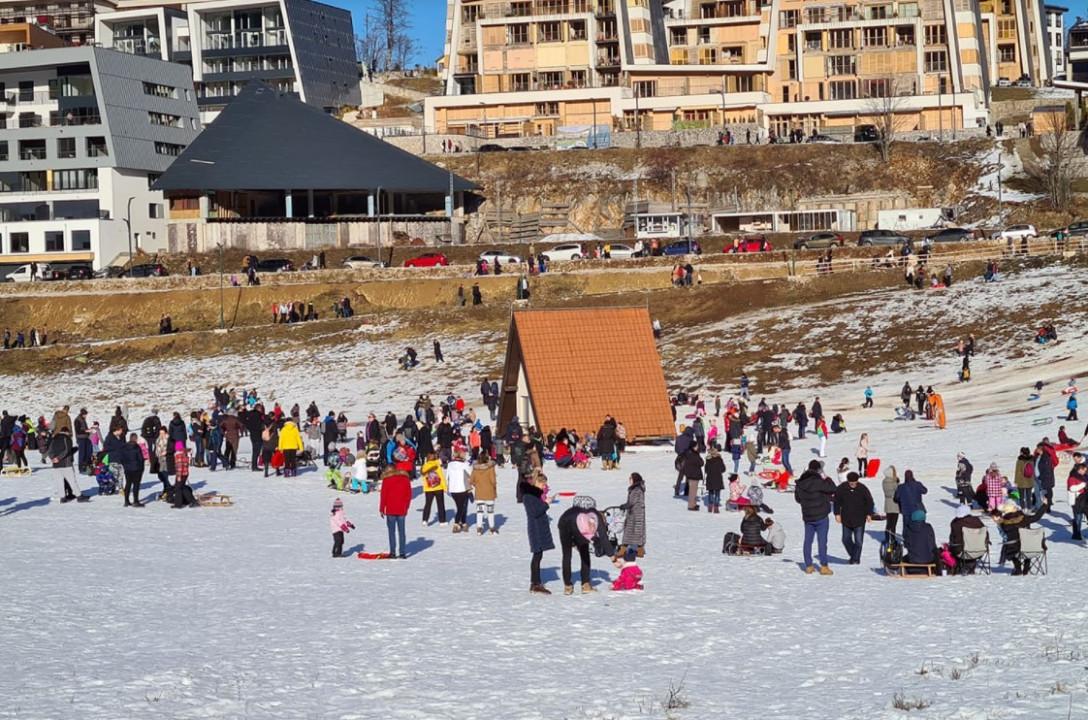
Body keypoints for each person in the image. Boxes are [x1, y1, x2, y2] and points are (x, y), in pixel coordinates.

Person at [557, 496, 607, 595]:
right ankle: (585, 584)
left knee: (566, 555)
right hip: (574, 526)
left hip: (563, 524)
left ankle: (567, 586)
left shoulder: (570, 512)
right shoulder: (585, 516)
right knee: (584, 553)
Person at [794, 460, 836, 575]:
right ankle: (824, 566)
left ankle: (808, 566)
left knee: (808, 541)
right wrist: (826, 478)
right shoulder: (819, 481)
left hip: (808, 516)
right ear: (818, 470)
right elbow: (833, 489)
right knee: (822, 541)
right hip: (821, 516)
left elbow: (798, 499)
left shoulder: (801, 483)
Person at [520, 473, 554, 594]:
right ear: (536, 483)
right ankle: (535, 583)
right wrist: (546, 504)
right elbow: (535, 512)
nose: (544, 487)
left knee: (538, 555)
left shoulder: (534, 495)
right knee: (537, 555)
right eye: (543, 484)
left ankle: (536, 583)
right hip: (535, 529)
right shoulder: (528, 497)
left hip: (539, 528)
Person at [994, 498, 1048, 574]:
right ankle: (1026, 568)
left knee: (1007, 546)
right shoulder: (1024, 518)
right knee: (1026, 546)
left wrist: (998, 522)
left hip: (1013, 548)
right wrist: (1044, 505)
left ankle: (1017, 566)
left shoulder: (1003, 522)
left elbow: (1003, 535)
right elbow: (1036, 517)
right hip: (1029, 547)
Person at [833, 471, 874, 564]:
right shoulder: (841, 488)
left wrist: (869, 514)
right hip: (846, 518)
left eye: (854, 483)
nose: (853, 484)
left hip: (859, 519)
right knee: (845, 539)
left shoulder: (862, 489)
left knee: (858, 542)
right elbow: (836, 501)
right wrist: (837, 514)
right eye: (851, 483)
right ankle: (854, 556)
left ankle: (855, 560)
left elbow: (869, 502)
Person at [379, 467, 411, 559]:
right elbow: (408, 495)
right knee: (402, 532)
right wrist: (406, 507)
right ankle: (402, 553)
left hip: (390, 509)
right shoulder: (405, 479)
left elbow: (383, 496)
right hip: (402, 509)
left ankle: (393, 553)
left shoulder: (387, 480)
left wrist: (381, 509)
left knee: (391, 532)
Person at [948, 505, 986, 572]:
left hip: (962, 552)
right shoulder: (978, 521)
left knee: (952, 548)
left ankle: (960, 567)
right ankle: (970, 565)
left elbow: (953, 539)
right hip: (980, 551)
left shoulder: (956, 523)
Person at [618, 473, 646, 557]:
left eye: (630, 478)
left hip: (635, 515)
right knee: (638, 533)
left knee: (628, 532)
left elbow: (631, 502)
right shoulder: (637, 488)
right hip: (637, 513)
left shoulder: (636, 490)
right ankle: (640, 551)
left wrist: (624, 506)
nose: (629, 480)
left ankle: (622, 551)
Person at [470, 453, 498, 535]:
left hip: (479, 492)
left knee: (479, 511)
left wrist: (476, 484)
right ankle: (492, 528)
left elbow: (471, 480)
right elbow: (493, 481)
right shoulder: (490, 468)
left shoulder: (475, 469)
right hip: (489, 492)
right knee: (490, 511)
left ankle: (479, 528)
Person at [446, 451, 472, 533]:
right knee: (462, 507)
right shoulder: (464, 464)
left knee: (460, 506)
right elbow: (471, 474)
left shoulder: (450, 465)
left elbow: (447, 477)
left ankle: (463, 522)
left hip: (453, 489)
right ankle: (457, 523)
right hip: (462, 488)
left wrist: (447, 487)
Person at [420, 452, 448, 526]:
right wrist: (445, 487)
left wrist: (425, 488)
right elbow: (441, 477)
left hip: (429, 489)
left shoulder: (424, 466)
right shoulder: (437, 465)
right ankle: (442, 521)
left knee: (428, 504)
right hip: (438, 488)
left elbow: (424, 478)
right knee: (441, 504)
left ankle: (425, 520)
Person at [121, 432, 145, 508]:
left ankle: (126, 500)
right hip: (136, 468)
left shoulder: (124, 447)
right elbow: (140, 459)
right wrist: (141, 468)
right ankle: (136, 501)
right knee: (136, 485)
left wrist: (125, 465)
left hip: (127, 469)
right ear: (136, 439)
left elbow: (121, 458)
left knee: (128, 484)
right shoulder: (137, 447)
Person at [882, 465, 901, 542]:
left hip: (887, 504)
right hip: (895, 505)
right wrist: (897, 482)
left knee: (888, 523)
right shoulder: (893, 482)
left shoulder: (884, 481)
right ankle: (892, 539)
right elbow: (898, 492)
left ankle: (887, 537)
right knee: (893, 524)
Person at [681, 446, 704, 511]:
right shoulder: (695, 455)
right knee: (693, 491)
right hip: (695, 474)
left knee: (693, 490)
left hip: (690, 474)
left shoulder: (688, 454)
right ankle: (691, 505)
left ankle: (693, 504)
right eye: (696, 446)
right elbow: (701, 463)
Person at [704, 448, 726, 513]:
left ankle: (710, 506)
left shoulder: (708, 460)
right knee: (717, 492)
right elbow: (723, 469)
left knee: (711, 492)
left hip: (710, 478)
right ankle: (716, 506)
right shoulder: (719, 460)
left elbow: (706, 470)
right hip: (718, 478)